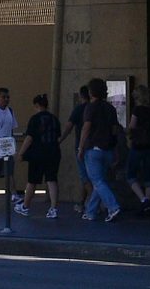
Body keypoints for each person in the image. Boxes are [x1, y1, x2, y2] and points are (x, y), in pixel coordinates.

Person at [79, 77, 122, 222]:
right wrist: (116, 149)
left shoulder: (90, 107)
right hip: (108, 148)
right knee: (101, 181)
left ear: (91, 92)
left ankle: (113, 206)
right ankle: (90, 211)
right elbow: (115, 129)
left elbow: (86, 127)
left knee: (97, 181)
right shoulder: (110, 108)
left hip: (93, 148)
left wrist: (80, 147)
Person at [14, 93, 62, 218]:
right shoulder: (54, 119)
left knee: (32, 181)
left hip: (38, 153)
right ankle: (53, 208)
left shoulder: (35, 119)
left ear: (36, 105)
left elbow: (29, 138)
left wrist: (21, 153)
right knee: (52, 180)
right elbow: (58, 136)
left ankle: (25, 206)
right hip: (54, 152)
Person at [57, 84, 92, 213]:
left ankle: (95, 203)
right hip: (97, 146)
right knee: (89, 176)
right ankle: (82, 202)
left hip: (82, 146)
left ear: (82, 95)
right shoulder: (97, 108)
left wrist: (60, 140)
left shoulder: (79, 109)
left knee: (85, 176)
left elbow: (68, 127)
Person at [126, 85, 150, 216]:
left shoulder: (137, 110)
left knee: (131, 175)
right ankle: (148, 205)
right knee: (149, 177)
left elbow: (132, 127)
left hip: (137, 146)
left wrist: (127, 134)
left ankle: (143, 200)